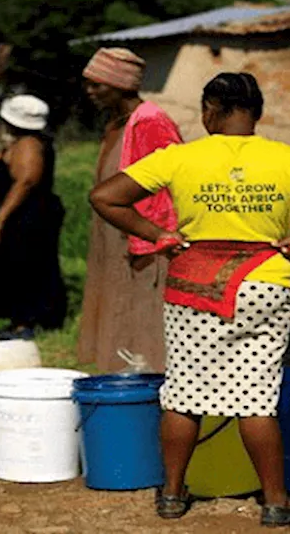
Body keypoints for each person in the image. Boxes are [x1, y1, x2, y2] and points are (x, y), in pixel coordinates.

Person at [89, 72, 290, 526]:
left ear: (209, 109)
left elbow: (105, 197)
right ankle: (277, 503)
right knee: (256, 398)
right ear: (258, 112)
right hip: (265, 283)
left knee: (183, 392)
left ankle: (170, 495)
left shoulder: (179, 158)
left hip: (192, 286)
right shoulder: (288, 158)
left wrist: (158, 234)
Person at [77, 46, 183, 373]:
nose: (90, 92)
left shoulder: (151, 123)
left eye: (98, 84)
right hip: (112, 238)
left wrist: (153, 237)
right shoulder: (115, 125)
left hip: (143, 240)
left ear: (121, 84)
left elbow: (170, 187)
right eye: (88, 84)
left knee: (143, 318)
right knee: (119, 310)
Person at [0, 94, 67, 339]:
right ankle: (18, 320)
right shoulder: (23, 143)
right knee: (12, 267)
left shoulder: (30, 144)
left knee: (26, 268)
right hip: (21, 219)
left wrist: (0, 218)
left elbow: (26, 180)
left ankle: (26, 323)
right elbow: (10, 168)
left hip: (26, 220)